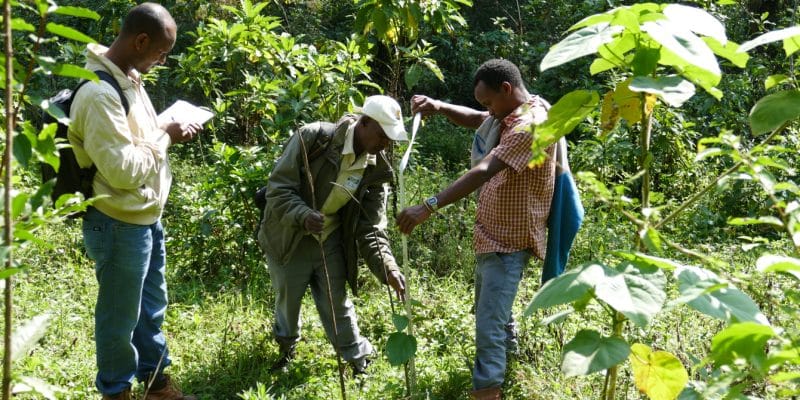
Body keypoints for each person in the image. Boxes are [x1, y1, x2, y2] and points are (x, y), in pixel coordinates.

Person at [397, 59, 555, 400]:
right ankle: (511, 362)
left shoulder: (531, 126)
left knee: (488, 324)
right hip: (491, 235)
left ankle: (487, 390)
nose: (488, 111)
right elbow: (479, 119)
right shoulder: (510, 113)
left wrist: (428, 206)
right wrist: (438, 107)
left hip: (508, 242)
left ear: (506, 90)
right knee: (495, 311)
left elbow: (484, 169)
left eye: (489, 102)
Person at [69, 3, 202, 400]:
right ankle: (116, 393)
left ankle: (157, 386)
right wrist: (168, 137)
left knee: (150, 309)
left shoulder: (129, 78)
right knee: (119, 319)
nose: (161, 62)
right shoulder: (97, 93)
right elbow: (124, 170)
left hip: (144, 218)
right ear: (141, 40)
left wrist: (163, 126)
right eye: (161, 53)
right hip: (116, 223)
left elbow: (137, 137)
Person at [257, 95, 408, 375]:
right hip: (288, 237)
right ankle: (286, 349)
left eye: (391, 138)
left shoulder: (376, 171)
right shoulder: (313, 137)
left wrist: (387, 266)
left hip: (330, 241)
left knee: (337, 302)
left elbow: (371, 227)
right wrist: (303, 214)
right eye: (382, 135)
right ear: (364, 122)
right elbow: (278, 188)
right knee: (287, 302)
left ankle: (357, 360)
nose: (386, 143)